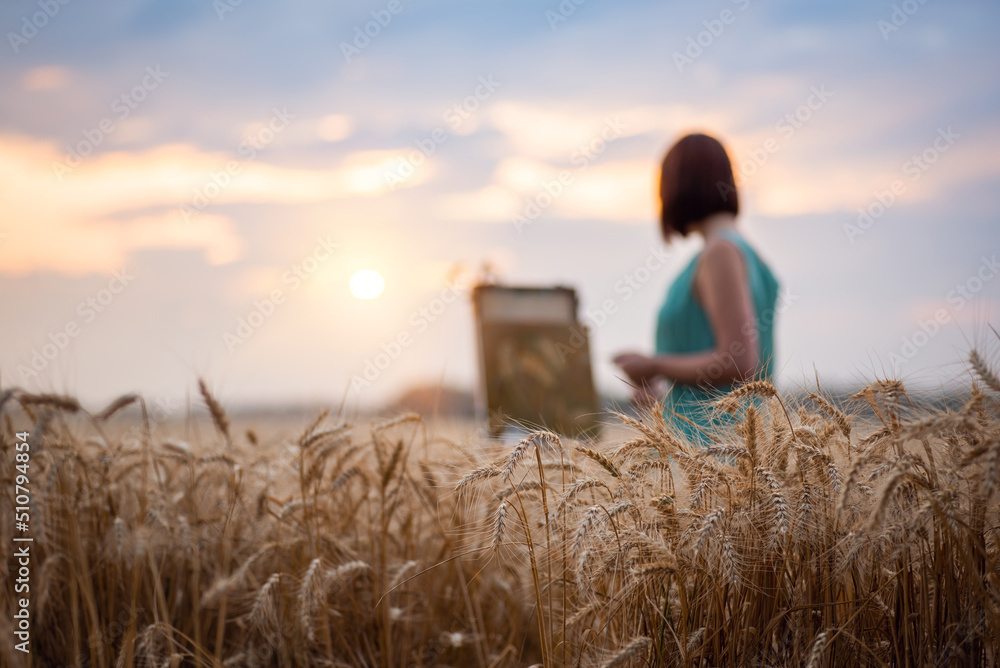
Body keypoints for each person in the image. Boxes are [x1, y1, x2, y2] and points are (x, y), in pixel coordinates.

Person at [613, 133, 780, 446]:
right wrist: (662, 400)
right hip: (732, 447)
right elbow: (725, 386)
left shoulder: (720, 254)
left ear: (678, 185)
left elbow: (740, 361)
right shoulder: (752, 258)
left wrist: (655, 365)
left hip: (712, 453)